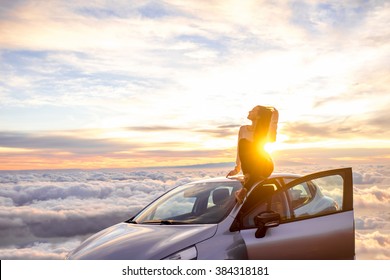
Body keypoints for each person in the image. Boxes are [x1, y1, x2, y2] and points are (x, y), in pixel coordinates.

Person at [227, 105, 278, 203]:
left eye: (253, 110)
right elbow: (240, 151)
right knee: (243, 143)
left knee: (255, 151)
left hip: (264, 164)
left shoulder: (265, 130)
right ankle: (246, 187)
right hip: (250, 168)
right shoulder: (243, 129)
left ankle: (245, 187)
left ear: (259, 116)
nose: (249, 111)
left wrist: (273, 111)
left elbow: (272, 139)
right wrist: (237, 168)